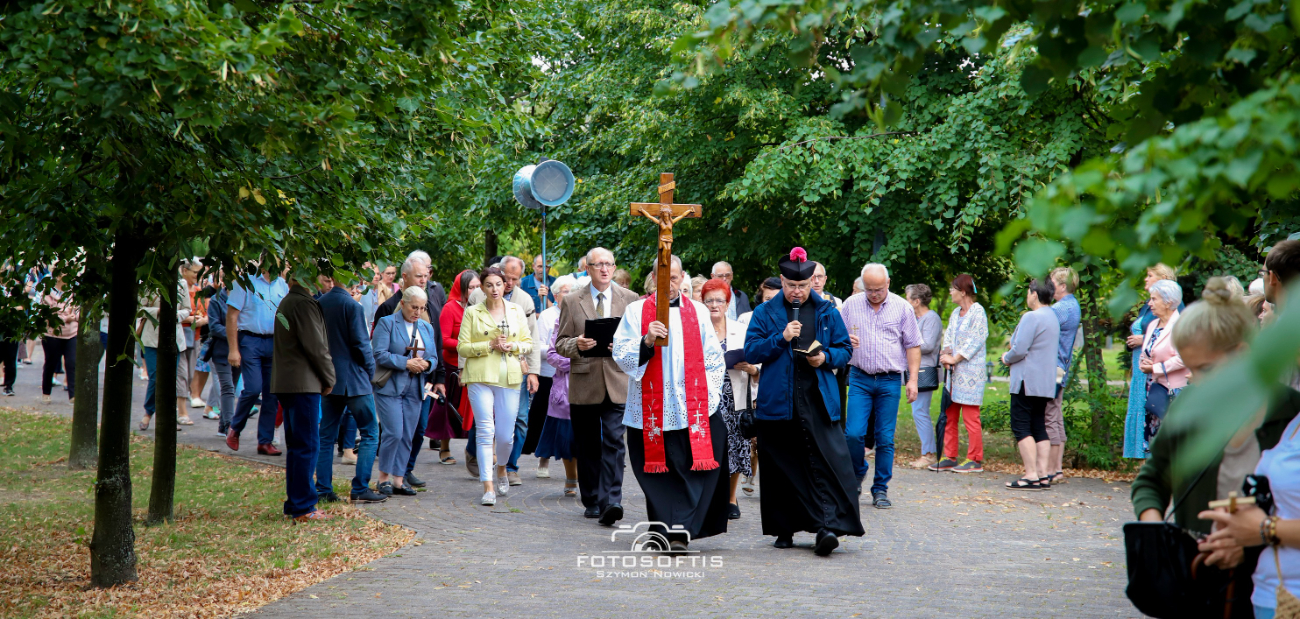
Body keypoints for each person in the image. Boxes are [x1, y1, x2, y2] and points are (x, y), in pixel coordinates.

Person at [1148, 279, 1300, 619]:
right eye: (1188, 368)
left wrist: (1252, 541)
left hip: (1269, 584)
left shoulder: (1290, 412)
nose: (1195, 381)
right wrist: (1157, 536)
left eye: (1206, 368)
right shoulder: (1190, 408)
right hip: (1199, 571)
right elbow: (1152, 478)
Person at [745, 247, 863, 556]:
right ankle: (783, 528)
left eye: (803, 285)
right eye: (791, 286)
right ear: (782, 281)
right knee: (780, 466)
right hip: (777, 400)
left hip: (817, 399)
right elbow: (752, 352)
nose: (797, 292)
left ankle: (827, 526)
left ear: (812, 282)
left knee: (825, 463)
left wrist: (824, 357)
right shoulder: (765, 312)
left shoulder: (827, 311)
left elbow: (844, 350)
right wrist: (781, 338)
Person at [612, 255, 728, 551]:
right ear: (653, 278)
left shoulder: (699, 312)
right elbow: (622, 356)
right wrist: (646, 341)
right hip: (652, 410)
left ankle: (680, 533)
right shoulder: (637, 311)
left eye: (674, 277)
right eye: (663, 277)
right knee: (657, 472)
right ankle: (664, 530)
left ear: (682, 278)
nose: (670, 283)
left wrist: (709, 398)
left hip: (693, 408)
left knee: (693, 468)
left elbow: (714, 359)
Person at [554, 247, 639, 523]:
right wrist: (576, 345)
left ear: (614, 268)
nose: (604, 269)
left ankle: (612, 500)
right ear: (587, 269)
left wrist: (625, 347)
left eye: (609, 264)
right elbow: (560, 344)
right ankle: (590, 497)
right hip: (584, 380)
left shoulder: (631, 300)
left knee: (615, 441)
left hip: (617, 379)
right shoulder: (571, 301)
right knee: (588, 444)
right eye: (598, 264)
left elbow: (639, 342)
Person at [840, 263, 920, 508]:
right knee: (853, 433)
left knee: (885, 438)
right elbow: (834, 336)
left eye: (878, 289)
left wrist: (913, 380)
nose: (873, 294)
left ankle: (880, 489)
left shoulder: (902, 307)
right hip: (860, 377)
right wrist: (845, 340)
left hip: (889, 379)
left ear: (888, 284)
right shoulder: (850, 305)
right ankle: (858, 470)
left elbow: (913, 345)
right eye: (869, 289)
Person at [458, 268, 532, 506]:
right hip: (480, 377)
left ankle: (502, 468)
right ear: (482, 288)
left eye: (498, 284)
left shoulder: (516, 310)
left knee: (505, 435)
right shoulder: (472, 312)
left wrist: (513, 346)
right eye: (489, 285)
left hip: (509, 377)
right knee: (485, 430)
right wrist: (488, 345)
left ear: (505, 285)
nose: (495, 289)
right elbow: (462, 347)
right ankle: (487, 486)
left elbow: (528, 343)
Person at [373, 254, 444, 489]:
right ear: (403, 303)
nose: (418, 312)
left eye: (422, 308)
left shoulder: (425, 326)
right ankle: (383, 478)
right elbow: (379, 354)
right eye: (414, 307)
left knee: (409, 435)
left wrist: (427, 365)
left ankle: (399, 479)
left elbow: (433, 356)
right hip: (391, 386)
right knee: (393, 432)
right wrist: (406, 363)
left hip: (415, 388)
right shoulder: (387, 322)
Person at [314, 272, 386, 504]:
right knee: (370, 432)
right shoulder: (352, 307)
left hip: (328, 378)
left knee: (326, 436)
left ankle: (323, 488)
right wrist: (372, 371)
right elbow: (361, 344)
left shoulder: (320, 303)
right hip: (354, 380)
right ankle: (360, 487)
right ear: (354, 282)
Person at [270, 275, 336, 522]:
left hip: (290, 383)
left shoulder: (290, 301)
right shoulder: (303, 303)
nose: (327, 279)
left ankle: (298, 504)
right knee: (307, 446)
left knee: (299, 447)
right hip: (302, 385)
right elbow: (317, 348)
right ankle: (303, 507)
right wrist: (329, 378)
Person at [701, 278, 756, 519]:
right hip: (705, 395)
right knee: (709, 447)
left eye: (719, 300)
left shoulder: (740, 329)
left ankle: (731, 498)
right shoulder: (696, 330)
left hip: (735, 393)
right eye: (709, 300)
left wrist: (752, 368)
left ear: (727, 303)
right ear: (702, 303)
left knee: (735, 445)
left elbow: (757, 363)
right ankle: (708, 497)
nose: (714, 305)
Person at [1001, 278, 1061, 490]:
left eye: (1028, 292)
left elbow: (1019, 349)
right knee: (1039, 425)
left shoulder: (1031, 317)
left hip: (1027, 379)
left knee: (1021, 425)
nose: (1027, 296)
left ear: (1034, 294)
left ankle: (1031, 474)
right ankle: (1043, 475)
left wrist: (1005, 358)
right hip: (1045, 382)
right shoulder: (1053, 316)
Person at [225, 265, 289, 454]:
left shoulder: (282, 285)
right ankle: (235, 428)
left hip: (274, 341)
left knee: (272, 393)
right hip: (250, 339)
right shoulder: (245, 282)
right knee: (253, 388)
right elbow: (231, 316)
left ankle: (265, 441)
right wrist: (233, 349)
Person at [930, 274, 988, 473]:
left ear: (963, 292)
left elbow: (976, 339)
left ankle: (974, 459)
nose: (950, 292)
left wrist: (955, 358)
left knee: (971, 418)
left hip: (971, 374)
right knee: (949, 414)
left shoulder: (978, 311)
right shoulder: (956, 313)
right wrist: (946, 354)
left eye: (953, 289)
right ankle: (950, 455)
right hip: (953, 374)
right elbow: (949, 336)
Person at [1124, 263, 1181, 458]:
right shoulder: (1149, 310)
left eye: (1149, 275)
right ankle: (1145, 462)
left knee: (1162, 420)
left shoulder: (1174, 308)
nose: (1145, 279)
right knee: (1148, 415)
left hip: (1165, 377)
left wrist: (1155, 366)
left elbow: (1180, 354)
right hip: (1146, 371)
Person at [426, 270, 476, 467]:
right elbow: (443, 339)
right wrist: (466, 345)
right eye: (471, 287)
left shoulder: (481, 309)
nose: (475, 291)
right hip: (451, 365)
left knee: (471, 409)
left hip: (473, 365)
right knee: (448, 408)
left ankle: (473, 448)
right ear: (461, 288)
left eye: (478, 287)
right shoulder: (450, 308)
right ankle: (444, 447)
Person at [528, 273, 575, 478]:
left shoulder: (577, 313)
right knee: (546, 420)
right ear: (556, 296)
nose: (571, 295)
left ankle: (573, 469)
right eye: (567, 292)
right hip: (550, 374)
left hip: (574, 376)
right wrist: (564, 351)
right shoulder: (548, 315)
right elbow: (537, 347)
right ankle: (543, 459)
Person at [538, 275, 580, 496]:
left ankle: (590, 477)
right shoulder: (558, 320)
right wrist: (576, 362)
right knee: (567, 438)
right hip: (566, 386)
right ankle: (571, 477)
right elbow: (552, 355)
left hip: (593, 386)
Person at [140, 275, 194, 426]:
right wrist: (158, 312)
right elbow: (140, 308)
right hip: (152, 338)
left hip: (174, 338)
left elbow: (187, 309)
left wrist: (176, 316)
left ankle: (168, 418)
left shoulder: (181, 283)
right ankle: (149, 412)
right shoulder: (149, 281)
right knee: (156, 377)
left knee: (171, 379)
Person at [1139, 279, 1188, 444]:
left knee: (1172, 440)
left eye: (1154, 299)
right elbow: (1147, 350)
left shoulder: (1180, 325)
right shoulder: (1153, 324)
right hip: (1154, 388)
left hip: (1173, 390)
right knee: (1155, 439)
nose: (1149, 303)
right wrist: (1144, 363)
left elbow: (1183, 358)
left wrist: (1155, 368)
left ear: (1168, 302)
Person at [1044, 267, 1081, 482]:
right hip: (1061, 367)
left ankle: (1052, 469)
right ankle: (1056, 468)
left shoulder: (1061, 308)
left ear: (1063, 286)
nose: (1049, 288)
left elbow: (1041, 327)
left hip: (1053, 368)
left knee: (1050, 416)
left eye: (1053, 284)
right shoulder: (1073, 305)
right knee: (1056, 415)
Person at [905, 284, 943, 469]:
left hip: (925, 370)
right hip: (916, 369)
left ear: (916, 301)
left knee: (920, 411)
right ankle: (927, 452)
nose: (906, 301)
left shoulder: (931, 318)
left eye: (908, 298)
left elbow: (927, 345)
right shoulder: (917, 318)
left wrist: (906, 341)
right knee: (917, 411)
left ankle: (929, 454)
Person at [205, 279, 238, 437]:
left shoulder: (244, 298)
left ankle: (222, 426)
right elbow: (214, 326)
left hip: (240, 350)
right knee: (228, 388)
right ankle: (230, 426)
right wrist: (233, 332)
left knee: (232, 386)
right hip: (221, 350)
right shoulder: (215, 300)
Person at [40, 275, 78, 404]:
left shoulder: (74, 292)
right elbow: (48, 313)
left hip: (72, 333)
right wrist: (64, 319)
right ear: (59, 276)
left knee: (72, 363)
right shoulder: (48, 292)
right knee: (51, 363)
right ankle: (46, 392)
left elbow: (78, 309)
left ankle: (73, 395)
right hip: (52, 334)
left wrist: (74, 316)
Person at [183, 260, 211, 410]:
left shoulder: (199, 290)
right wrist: (193, 320)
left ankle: (192, 394)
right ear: (184, 271)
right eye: (195, 272)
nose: (197, 275)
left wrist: (203, 320)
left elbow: (207, 312)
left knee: (193, 367)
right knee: (181, 369)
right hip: (181, 333)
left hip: (196, 334)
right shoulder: (180, 290)